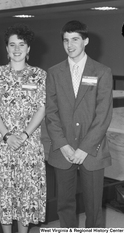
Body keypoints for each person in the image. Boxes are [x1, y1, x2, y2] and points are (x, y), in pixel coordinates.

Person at [45, 20, 113, 228]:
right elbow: (50, 113)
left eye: (75, 39)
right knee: (65, 205)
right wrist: (64, 145)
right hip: (62, 150)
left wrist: (84, 148)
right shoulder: (54, 72)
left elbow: (103, 115)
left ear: (86, 41)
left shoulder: (102, 72)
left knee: (93, 207)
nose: (70, 45)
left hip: (92, 151)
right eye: (66, 40)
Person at [0, 24, 47, 233]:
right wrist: (7, 135)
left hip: (28, 146)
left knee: (25, 196)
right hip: (2, 147)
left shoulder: (39, 75)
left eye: (22, 44)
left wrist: (23, 134)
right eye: (12, 45)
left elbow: (42, 107)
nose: (17, 49)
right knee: (4, 194)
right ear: (6, 48)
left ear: (29, 49)